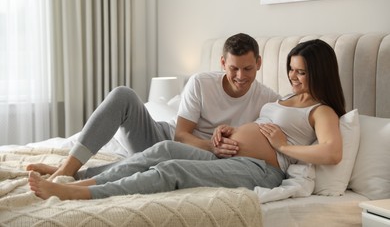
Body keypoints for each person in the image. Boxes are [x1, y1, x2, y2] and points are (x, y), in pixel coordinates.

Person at [28, 39, 345, 200]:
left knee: (171, 169)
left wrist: (283, 146)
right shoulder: (282, 99)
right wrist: (229, 132)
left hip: (263, 170)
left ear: (319, 72)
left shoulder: (321, 110)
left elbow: (332, 152)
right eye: (291, 69)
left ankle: (81, 193)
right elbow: (255, 129)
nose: (293, 77)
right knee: (162, 151)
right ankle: (76, 178)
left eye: (300, 72)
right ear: (222, 62)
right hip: (231, 156)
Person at [27, 33, 280, 180]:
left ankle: (75, 175)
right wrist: (214, 146)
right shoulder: (201, 83)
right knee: (123, 95)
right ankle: (67, 168)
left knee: (162, 157)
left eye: (247, 69)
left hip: (199, 158)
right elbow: (181, 134)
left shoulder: (268, 100)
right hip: (167, 138)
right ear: (223, 62)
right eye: (233, 68)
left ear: (259, 63)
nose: (240, 76)